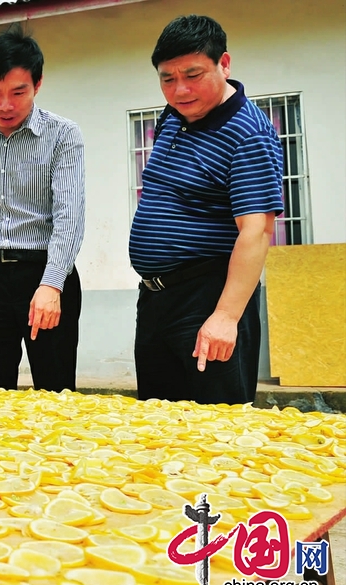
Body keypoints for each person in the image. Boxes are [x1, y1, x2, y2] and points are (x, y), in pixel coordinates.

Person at [130, 15, 284, 405]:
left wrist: (226, 317)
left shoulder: (248, 132)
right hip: (155, 299)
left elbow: (257, 231)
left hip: (208, 299)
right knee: (158, 423)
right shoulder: (175, 116)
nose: (180, 90)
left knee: (218, 433)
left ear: (224, 64)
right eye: (168, 78)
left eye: (193, 75)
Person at [0, 31, 85, 393]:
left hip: (44, 272)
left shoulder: (63, 135)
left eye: (18, 93)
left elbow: (69, 216)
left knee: (54, 392)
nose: (4, 105)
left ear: (38, 85)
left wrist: (52, 283)